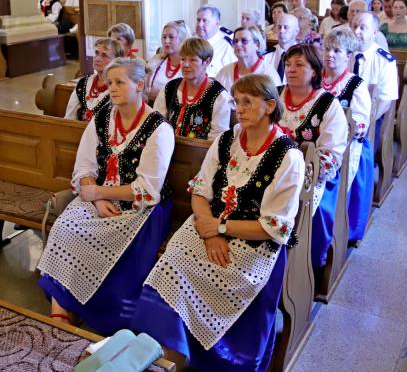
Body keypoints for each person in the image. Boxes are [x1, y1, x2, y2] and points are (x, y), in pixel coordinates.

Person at [132, 74, 304, 371]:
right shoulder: (226, 140)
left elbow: (274, 227)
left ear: (269, 106)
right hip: (208, 226)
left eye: (248, 102)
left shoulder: (288, 157)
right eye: (237, 102)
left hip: (255, 242)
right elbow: (201, 192)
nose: (240, 109)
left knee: (220, 272)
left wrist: (221, 228)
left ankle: (205, 358)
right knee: (173, 262)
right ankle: (168, 355)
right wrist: (211, 231)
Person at [38, 58, 175, 334]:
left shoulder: (159, 129)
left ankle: (97, 312)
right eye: (110, 82)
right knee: (65, 227)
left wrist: (99, 192)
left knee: (110, 242)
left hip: (141, 207)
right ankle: (60, 309)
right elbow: (84, 167)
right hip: (99, 196)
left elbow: (147, 189)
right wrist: (98, 198)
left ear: (139, 85)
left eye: (119, 82)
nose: (112, 88)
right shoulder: (102, 118)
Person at [279, 44, 348, 270]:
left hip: (311, 177)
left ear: (315, 71)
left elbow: (331, 156)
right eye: (288, 64)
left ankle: (302, 269)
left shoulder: (328, 104)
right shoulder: (274, 95)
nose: (291, 69)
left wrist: (297, 169)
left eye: (299, 65)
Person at [322, 27, 374, 244]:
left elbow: (361, 125)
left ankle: (339, 233)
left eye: (337, 51)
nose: (330, 54)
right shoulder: (315, 78)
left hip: (347, 146)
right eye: (327, 49)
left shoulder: (355, 85)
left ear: (348, 55)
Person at [153, 37, 231, 139]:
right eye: (183, 59)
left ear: (207, 62)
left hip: (203, 149)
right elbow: (156, 125)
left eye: (193, 60)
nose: (185, 64)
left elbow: (218, 137)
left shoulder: (218, 95)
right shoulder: (169, 88)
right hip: (166, 147)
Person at [350, 12, 398, 149]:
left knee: (359, 150)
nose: (356, 31)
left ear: (375, 32)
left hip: (371, 118)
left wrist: (366, 122)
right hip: (343, 113)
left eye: (362, 28)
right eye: (354, 26)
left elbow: (385, 101)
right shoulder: (343, 53)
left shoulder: (384, 60)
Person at [64, 38, 124, 121]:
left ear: (116, 61)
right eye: (96, 53)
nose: (97, 59)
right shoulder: (83, 83)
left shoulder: (120, 88)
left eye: (104, 55)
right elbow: (68, 119)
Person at [216, 26, 281, 93]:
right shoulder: (224, 72)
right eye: (235, 41)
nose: (238, 44)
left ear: (257, 45)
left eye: (244, 41)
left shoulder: (269, 75)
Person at [146, 20, 190, 102]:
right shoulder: (156, 61)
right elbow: (146, 89)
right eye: (164, 37)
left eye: (171, 37)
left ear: (183, 40)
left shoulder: (190, 65)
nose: (166, 41)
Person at [195, 5, 236, 77]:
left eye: (205, 21)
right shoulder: (191, 42)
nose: (200, 24)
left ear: (217, 23)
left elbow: (232, 75)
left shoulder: (227, 46)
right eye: (198, 20)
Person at [265, 13, 299, 81]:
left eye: (286, 27)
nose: (281, 31)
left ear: (296, 31)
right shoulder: (267, 56)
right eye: (279, 27)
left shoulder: (303, 55)